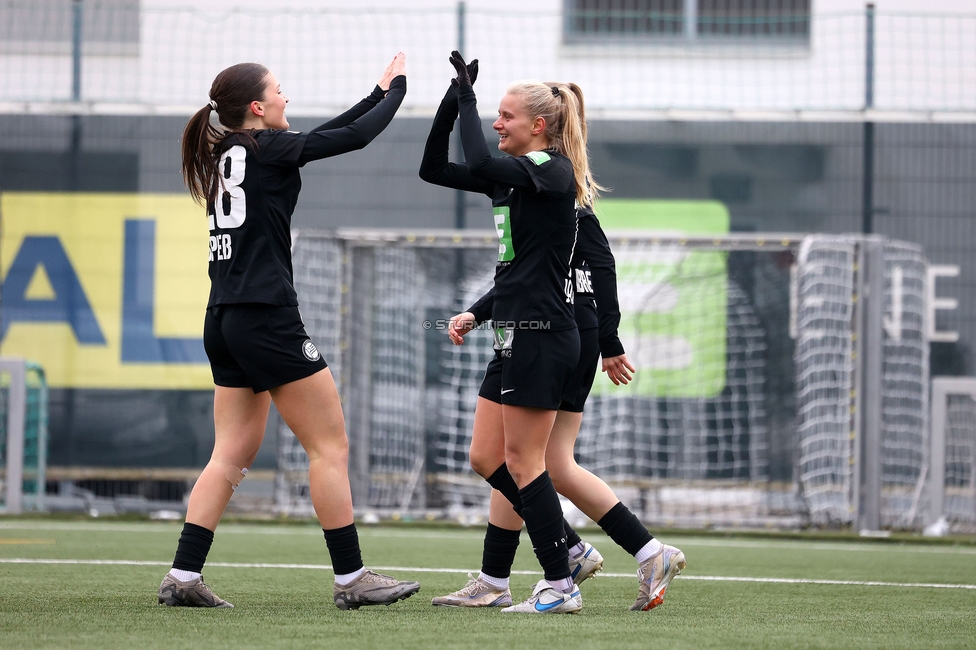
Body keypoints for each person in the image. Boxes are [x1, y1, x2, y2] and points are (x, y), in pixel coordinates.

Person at [157, 54, 420, 610]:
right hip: (265, 315)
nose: (285, 97)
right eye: (278, 91)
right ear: (257, 107)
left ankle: (182, 574)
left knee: (228, 454)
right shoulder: (265, 148)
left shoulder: (232, 149)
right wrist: (397, 94)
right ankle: (352, 579)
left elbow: (330, 133)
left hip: (223, 316)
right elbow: (353, 139)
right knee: (329, 446)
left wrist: (376, 90)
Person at [436, 200, 687, 612]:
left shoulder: (561, 201)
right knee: (522, 459)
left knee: (524, 459)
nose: (498, 130)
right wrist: (478, 313)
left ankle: (568, 555)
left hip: (551, 331)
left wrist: (610, 341)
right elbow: (521, 279)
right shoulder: (530, 197)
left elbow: (600, 269)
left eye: (505, 128)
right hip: (529, 328)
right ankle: (505, 575)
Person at [420, 52, 591, 614]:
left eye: (506, 116)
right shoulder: (514, 183)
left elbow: (476, 156)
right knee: (485, 455)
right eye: (493, 114)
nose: (497, 124)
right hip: (514, 331)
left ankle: (561, 580)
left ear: (538, 125)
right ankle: (556, 555)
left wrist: (469, 98)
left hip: (543, 334)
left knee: (526, 463)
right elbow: (434, 167)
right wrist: (451, 100)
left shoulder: (552, 170)